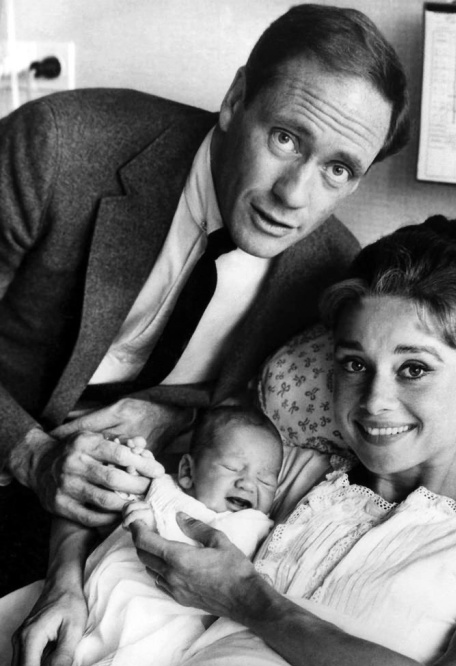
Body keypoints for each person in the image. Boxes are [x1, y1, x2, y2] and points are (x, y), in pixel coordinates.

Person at [0, 2, 409, 596]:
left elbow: (264, 398)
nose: (295, 195)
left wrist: (178, 414)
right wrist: (31, 454)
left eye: (339, 170)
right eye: (286, 138)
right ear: (236, 100)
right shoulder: (57, 147)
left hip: (119, 520)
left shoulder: (328, 272)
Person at [122, 216, 456, 666]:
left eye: (413, 368)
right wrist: (67, 577)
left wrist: (248, 600)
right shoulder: (293, 479)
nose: (375, 401)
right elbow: (143, 488)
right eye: (355, 364)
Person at [36, 406, 282, 666]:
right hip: (89, 610)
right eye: (232, 468)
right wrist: (131, 464)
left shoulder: (252, 523)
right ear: (188, 472)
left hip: (151, 636)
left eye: (266, 480)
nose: (248, 483)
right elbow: (118, 493)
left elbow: (215, 558)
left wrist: (151, 525)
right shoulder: (162, 487)